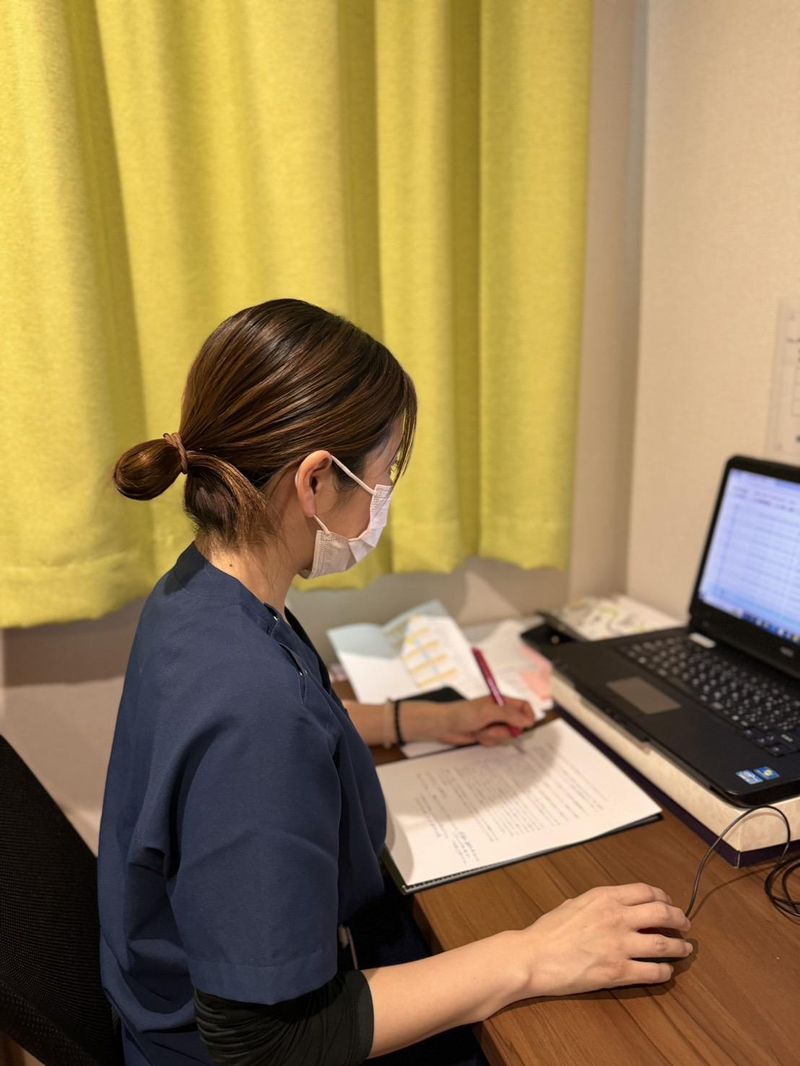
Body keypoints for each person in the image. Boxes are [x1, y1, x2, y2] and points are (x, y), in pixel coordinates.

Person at [97, 298, 693, 1066]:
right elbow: (269, 1041)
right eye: (386, 472)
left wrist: (422, 720)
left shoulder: (203, 592)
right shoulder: (253, 716)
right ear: (317, 481)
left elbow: (295, 715)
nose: (385, 495)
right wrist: (536, 954)